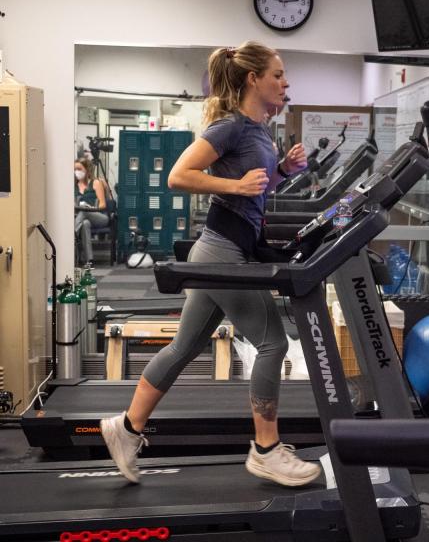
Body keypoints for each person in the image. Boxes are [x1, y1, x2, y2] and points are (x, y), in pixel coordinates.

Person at [100, 41, 321, 487]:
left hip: (223, 247)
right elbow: (178, 175)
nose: (286, 82)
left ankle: (125, 428)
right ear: (253, 79)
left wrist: (282, 170)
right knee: (273, 344)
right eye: (277, 74)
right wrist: (236, 186)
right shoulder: (230, 127)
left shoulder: (259, 130)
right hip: (223, 249)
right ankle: (265, 449)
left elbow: (254, 184)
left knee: (183, 349)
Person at [74, 157, 109, 265]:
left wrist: (91, 208)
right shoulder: (74, 186)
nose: (76, 172)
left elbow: (103, 204)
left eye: (79, 169)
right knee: (85, 223)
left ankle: (73, 234)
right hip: (82, 218)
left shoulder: (96, 183)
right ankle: (89, 260)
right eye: (75, 169)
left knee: (84, 211)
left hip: (99, 216)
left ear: (87, 169)